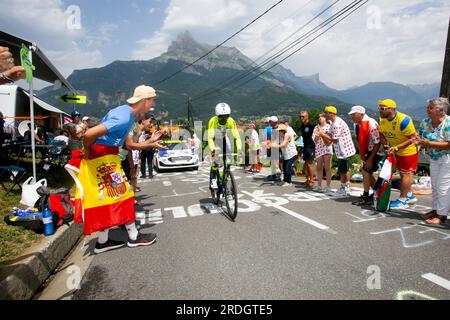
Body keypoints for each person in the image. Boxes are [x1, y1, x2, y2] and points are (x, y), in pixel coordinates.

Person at [65, 85, 163, 254]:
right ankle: (133, 237)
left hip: (108, 157)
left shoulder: (129, 115)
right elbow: (89, 135)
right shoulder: (124, 117)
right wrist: (87, 150)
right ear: (145, 101)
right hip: (102, 157)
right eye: (152, 99)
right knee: (124, 193)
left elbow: (130, 145)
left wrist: (150, 143)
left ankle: (102, 242)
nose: (154, 103)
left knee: (105, 198)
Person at [378, 99, 419, 209]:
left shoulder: (404, 120)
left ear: (391, 109)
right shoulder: (382, 120)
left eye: (382, 108)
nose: (379, 111)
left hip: (408, 150)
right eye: (379, 108)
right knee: (402, 174)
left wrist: (396, 148)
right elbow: (382, 135)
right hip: (396, 149)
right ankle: (409, 195)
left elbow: (413, 139)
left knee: (406, 174)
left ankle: (403, 200)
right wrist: (386, 146)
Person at [416, 98, 450, 225]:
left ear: (440, 110)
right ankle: (435, 210)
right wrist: (418, 140)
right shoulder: (425, 122)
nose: (427, 110)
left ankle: (442, 215)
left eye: (430, 107)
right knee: (435, 185)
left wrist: (429, 143)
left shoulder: (448, 123)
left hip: (447, 158)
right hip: (434, 157)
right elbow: (420, 136)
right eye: (428, 107)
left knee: (443, 187)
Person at [348, 106, 384, 206]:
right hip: (368, 149)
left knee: (366, 170)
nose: (351, 116)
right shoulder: (356, 123)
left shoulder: (371, 123)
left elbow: (377, 143)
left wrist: (370, 159)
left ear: (361, 114)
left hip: (377, 151)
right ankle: (376, 192)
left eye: (354, 114)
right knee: (366, 171)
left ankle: (367, 195)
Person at [318, 106, 356, 198]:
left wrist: (322, 134)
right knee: (345, 169)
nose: (324, 115)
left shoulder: (336, 124)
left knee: (342, 170)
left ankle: (343, 188)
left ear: (331, 114)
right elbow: (330, 135)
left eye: (326, 113)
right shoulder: (333, 122)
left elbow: (334, 140)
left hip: (344, 150)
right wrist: (324, 135)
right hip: (344, 150)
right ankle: (346, 187)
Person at [207, 102, 242, 190]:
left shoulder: (231, 121)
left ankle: (224, 178)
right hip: (214, 139)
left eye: (226, 116)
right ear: (217, 116)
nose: (224, 119)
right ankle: (213, 179)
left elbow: (237, 137)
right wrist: (213, 149)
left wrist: (239, 149)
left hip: (223, 139)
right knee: (215, 158)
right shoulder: (213, 121)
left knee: (229, 161)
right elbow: (210, 138)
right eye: (221, 117)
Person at [312, 113, 333, 193]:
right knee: (319, 167)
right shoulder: (316, 128)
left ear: (326, 118)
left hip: (327, 148)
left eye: (322, 116)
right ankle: (319, 186)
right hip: (318, 148)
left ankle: (328, 186)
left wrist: (322, 133)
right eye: (319, 117)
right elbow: (314, 140)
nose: (320, 118)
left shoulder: (329, 127)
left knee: (328, 168)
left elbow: (331, 139)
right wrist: (317, 135)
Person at [300, 111, 316, 188]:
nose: (301, 118)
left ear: (307, 117)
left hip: (311, 146)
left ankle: (312, 180)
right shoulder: (302, 125)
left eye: (303, 116)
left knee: (310, 163)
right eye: (300, 117)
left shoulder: (312, 125)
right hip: (305, 146)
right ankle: (308, 178)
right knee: (306, 163)